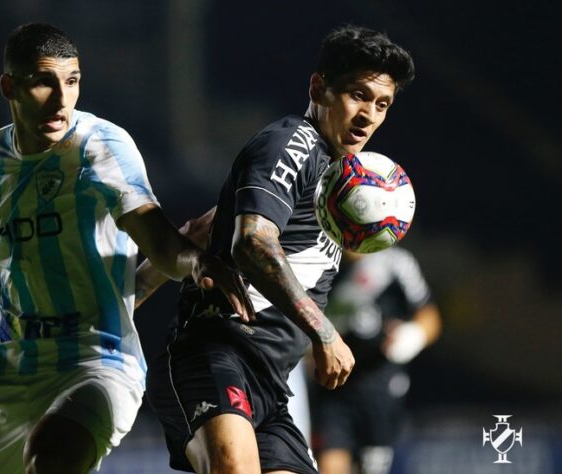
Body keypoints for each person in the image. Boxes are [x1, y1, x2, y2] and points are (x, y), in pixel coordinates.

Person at [0, 23, 252, 474]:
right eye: (43, 82)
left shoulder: (100, 146)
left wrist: (198, 261)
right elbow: (0, 277)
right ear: (9, 86)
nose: (61, 99)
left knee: (54, 455)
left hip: (99, 362)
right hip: (12, 377)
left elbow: (160, 241)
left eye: (71, 81)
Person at [142, 25, 416, 474]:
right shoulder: (292, 142)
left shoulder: (339, 178)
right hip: (216, 355)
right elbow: (252, 241)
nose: (368, 115)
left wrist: (126, 298)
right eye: (357, 95)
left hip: (270, 383)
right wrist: (325, 332)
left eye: (381, 104)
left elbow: (199, 229)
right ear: (318, 87)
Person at [311, 248, 441, 474]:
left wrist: (409, 337)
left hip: (381, 391)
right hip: (334, 389)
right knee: (329, 465)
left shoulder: (395, 263)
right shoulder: (320, 261)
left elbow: (430, 317)